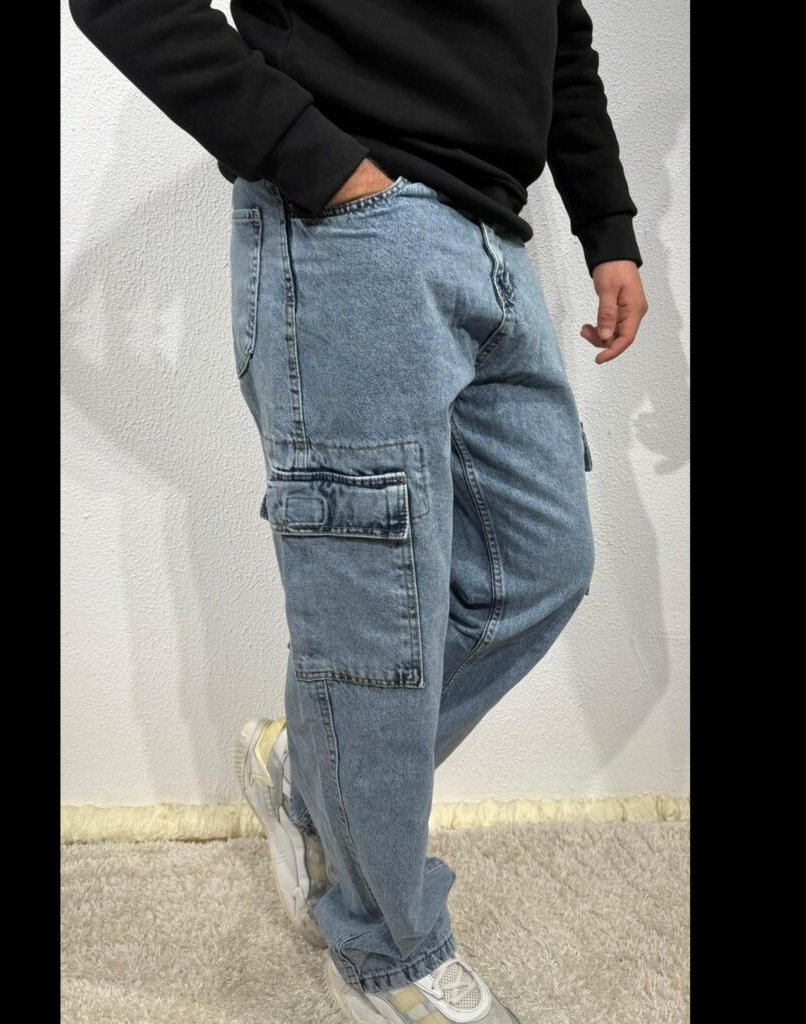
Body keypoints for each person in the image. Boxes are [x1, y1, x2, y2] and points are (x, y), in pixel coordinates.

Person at [68, 2, 649, 1021]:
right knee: (378, 628)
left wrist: (607, 227)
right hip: (353, 230)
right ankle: (385, 947)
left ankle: (310, 772)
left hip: (495, 238)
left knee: (539, 568)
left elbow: (560, 34)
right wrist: (321, 164)